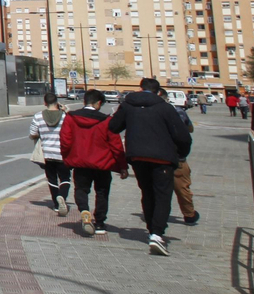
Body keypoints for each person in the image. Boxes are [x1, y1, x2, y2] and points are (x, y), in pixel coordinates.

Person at [108, 77, 192, 257]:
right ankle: (157, 233)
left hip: (137, 157)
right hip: (162, 158)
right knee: (162, 195)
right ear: (158, 91)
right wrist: (180, 154)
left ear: (140, 89)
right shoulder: (165, 108)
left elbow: (114, 127)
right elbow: (182, 136)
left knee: (147, 192)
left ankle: (151, 229)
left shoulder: (128, 105)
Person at [59, 88, 126, 237]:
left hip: (80, 163)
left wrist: (67, 159)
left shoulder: (71, 118)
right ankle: (100, 223)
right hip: (103, 164)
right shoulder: (107, 121)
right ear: (98, 103)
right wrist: (122, 166)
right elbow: (116, 145)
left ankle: (84, 210)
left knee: (81, 189)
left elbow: (65, 140)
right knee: (102, 192)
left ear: (85, 101)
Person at [29, 91, 71, 215]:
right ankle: (62, 197)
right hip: (62, 153)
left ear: (45, 103)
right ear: (57, 102)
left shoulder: (38, 116)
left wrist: (40, 135)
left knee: (51, 179)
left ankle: (57, 205)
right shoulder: (64, 116)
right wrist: (66, 110)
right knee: (65, 178)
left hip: (46, 153)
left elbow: (32, 133)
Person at [170, 98, 199, 226]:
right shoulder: (179, 112)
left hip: (155, 157)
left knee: (156, 189)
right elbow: (189, 130)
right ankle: (189, 214)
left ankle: (157, 214)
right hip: (177, 158)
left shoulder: (149, 112)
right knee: (182, 188)